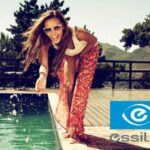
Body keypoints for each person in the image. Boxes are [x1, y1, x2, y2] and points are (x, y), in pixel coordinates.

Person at [22, 10, 99, 143]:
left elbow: (94, 41)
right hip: (70, 54)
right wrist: (42, 77)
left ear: (63, 25)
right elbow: (44, 65)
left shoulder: (78, 32)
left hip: (89, 52)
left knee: (80, 90)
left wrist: (80, 56)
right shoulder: (45, 41)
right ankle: (71, 127)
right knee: (67, 86)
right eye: (48, 30)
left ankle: (77, 130)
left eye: (56, 27)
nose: (53, 33)